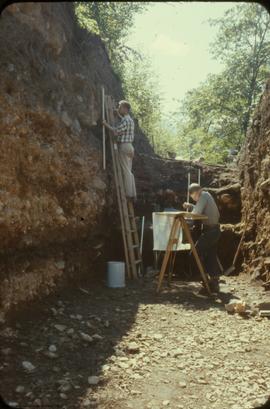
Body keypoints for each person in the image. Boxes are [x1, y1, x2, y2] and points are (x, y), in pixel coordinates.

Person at [183, 183, 221, 293]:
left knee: (194, 254)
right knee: (211, 257)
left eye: (193, 197)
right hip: (214, 230)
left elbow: (196, 213)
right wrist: (191, 206)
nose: (194, 199)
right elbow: (201, 210)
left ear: (195, 193)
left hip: (211, 231)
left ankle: (205, 283)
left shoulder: (203, 196)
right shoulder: (206, 196)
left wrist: (189, 213)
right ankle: (214, 284)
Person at [102, 100, 137, 201]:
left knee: (125, 171)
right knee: (129, 170)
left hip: (124, 146)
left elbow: (116, 131)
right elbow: (124, 123)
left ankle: (129, 194)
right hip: (130, 147)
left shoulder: (125, 120)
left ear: (125, 109)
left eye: (120, 107)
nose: (119, 109)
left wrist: (105, 124)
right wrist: (118, 114)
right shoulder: (129, 120)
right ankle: (133, 193)